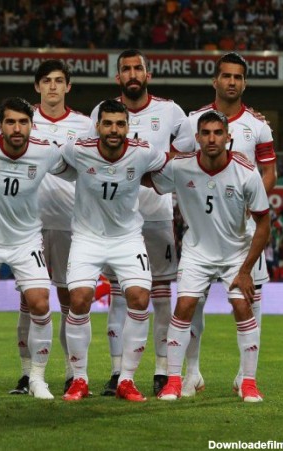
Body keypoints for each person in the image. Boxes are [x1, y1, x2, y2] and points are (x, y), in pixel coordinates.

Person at [171, 52, 276, 396]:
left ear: (244, 83)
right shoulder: (193, 121)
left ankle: (245, 376)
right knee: (192, 303)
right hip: (204, 228)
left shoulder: (258, 125)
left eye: (238, 77)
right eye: (226, 76)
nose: (232, 82)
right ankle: (192, 373)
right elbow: (177, 164)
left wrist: (251, 205)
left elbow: (269, 172)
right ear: (215, 80)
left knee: (249, 299)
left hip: (244, 229)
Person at [154, 111, 269, 402]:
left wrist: (246, 270)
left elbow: (264, 224)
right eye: (205, 133)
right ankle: (174, 381)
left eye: (218, 133)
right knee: (184, 307)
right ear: (197, 138)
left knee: (243, 308)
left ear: (228, 137)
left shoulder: (246, 171)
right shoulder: (180, 166)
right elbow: (146, 178)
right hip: (197, 251)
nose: (212, 138)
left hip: (236, 253)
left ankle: (248, 382)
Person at [0, 97, 69, 400]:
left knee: (40, 303)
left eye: (23, 122)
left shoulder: (46, 151)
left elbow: (77, 167)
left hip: (26, 241)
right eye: (10, 122)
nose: (17, 128)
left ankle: (37, 379)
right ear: (0, 125)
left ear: (32, 125)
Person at [90, 49, 187, 396]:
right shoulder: (102, 111)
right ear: (118, 77)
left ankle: (161, 370)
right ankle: (118, 372)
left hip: (157, 213)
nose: (132, 74)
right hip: (116, 218)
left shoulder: (171, 111)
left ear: (148, 75)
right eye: (126, 69)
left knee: (160, 296)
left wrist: (155, 173)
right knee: (119, 296)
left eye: (138, 68)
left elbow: (187, 151)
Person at [61, 100, 168, 403]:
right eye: (108, 123)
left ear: (127, 127)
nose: (114, 130)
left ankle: (127, 379)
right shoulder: (77, 149)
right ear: (97, 126)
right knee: (79, 300)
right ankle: (79, 379)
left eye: (120, 124)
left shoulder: (143, 151)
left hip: (127, 238)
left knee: (140, 298)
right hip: (87, 237)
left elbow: (171, 163)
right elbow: (50, 159)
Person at [10, 59, 94, 396]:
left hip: (69, 223)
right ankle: (26, 374)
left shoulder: (85, 125)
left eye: (59, 80)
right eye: (46, 81)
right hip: (26, 223)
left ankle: (72, 373)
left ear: (68, 86)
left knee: (68, 299)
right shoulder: (22, 119)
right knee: (29, 301)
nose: (53, 86)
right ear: (37, 86)